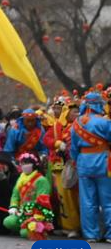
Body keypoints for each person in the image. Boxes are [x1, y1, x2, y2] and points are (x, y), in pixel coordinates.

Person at [70, 91, 110, 243]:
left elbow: (73, 148)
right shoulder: (105, 122)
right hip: (103, 162)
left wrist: (77, 161)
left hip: (84, 163)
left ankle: (91, 234)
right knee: (108, 200)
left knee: (87, 200)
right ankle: (110, 234)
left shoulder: (76, 123)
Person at [45, 100, 80, 236]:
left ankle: (78, 226)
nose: (56, 111)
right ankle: (69, 226)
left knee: (77, 197)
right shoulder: (56, 126)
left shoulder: (80, 125)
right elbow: (46, 140)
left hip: (78, 164)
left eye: (60, 108)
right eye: (55, 108)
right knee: (63, 197)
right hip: (60, 166)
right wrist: (57, 143)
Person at [1, 153, 51, 237]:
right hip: (21, 212)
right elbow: (15, 195)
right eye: (22, 164)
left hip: (36, 213)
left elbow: (43, 200)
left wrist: (33, 212)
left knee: (25, 233)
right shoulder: (20, 179)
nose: (24, 166)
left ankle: (30, 229)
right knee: (8, 221)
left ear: (34, 164)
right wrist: (14, 207)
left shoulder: (41, 180)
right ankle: (22, 227)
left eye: (27, 163)